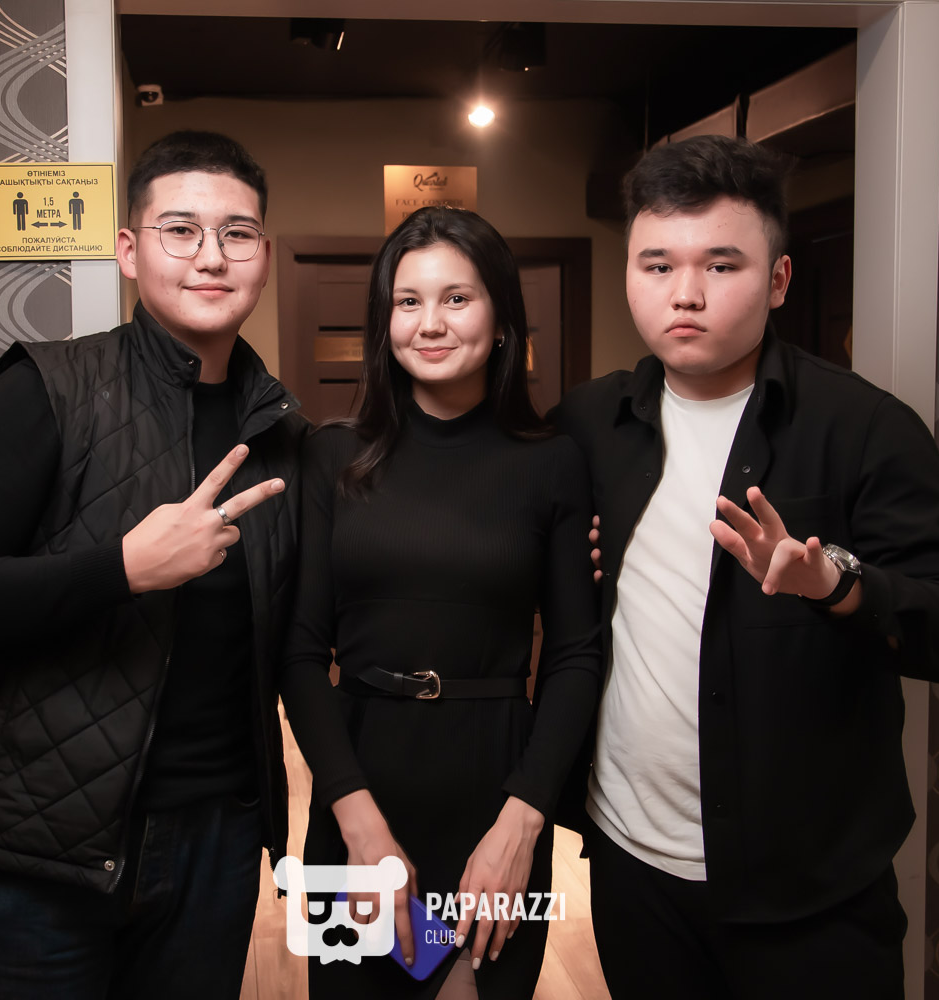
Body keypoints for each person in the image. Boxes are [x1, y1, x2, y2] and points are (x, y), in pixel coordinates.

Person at [551, 135, 939, 998]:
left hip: (811, 888)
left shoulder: (865, 428)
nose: (685, 293)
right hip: (632, 865)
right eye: (657, 265)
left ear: (779, 280)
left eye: (721, 266)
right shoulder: (591, 422)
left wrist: (834, 584)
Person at [0, 131, 304, 999]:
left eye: (237, 234)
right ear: (128, 250)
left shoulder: (279, 433)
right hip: (34, 849)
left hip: (215, 842)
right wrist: (122, 567)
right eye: (180, 230)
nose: (211, 256)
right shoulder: (48, 387)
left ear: (264, 259)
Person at [279, 206, 602, 999]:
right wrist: (358, 826)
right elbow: (298, 653)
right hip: (358, 791)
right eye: (408, 301)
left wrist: (524, 819)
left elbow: (575, 655)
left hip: (496, 798)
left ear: (501, 318)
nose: (430, 323)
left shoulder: (553, 464)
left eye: (457, 298)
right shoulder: (332, 456)